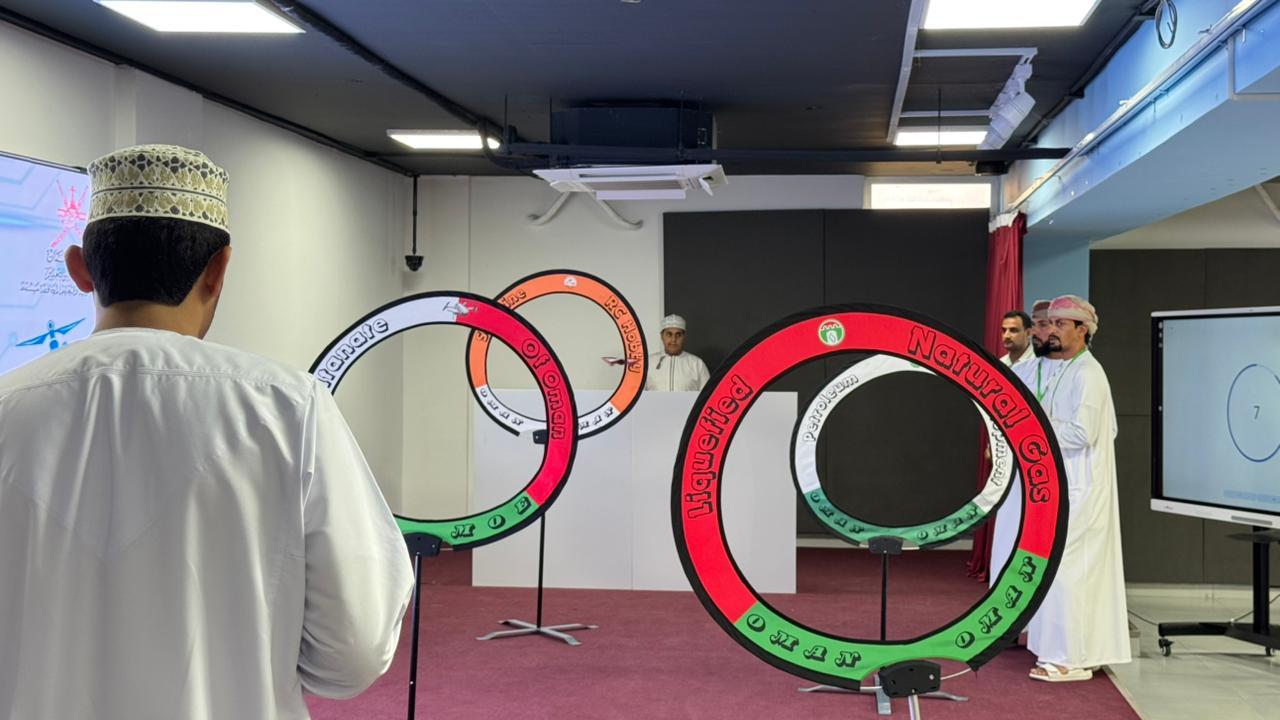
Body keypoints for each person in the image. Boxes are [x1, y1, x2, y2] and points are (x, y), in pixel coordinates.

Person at [0, 145, 414, 719]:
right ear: (219, 271)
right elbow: (354, 651)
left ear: (80, 268)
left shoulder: (8, 406)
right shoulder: (288, 407)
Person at [1026, 294, 1130, 681]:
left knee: (1071, 569)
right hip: (1065, 485)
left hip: (1082, 488)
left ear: (1082, 330)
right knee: (1063, 569)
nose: (1051, 330)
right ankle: (1076, 649)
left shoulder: (1088, 373)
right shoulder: (1065, 369)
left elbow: (1082, 433)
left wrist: (1032, 430)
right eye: (1049, 323)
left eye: (1060, 324)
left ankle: (1069, 658)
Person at [989, 301, 1054, 589]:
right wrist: (994, 444)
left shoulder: (1041, 366)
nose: (1007, 335)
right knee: (1006, 520)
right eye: (1004, 330)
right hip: (1007, 453)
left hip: (1034, 455)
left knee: (1028, 519)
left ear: (1028, 333)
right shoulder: (1000, 365)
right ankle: (1001, 580)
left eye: (1014, 330)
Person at [644, 313, 711, 391]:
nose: (673, 340)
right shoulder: (648, 363)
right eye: (669, 334)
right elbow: (639, 395)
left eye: (678, 335)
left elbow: (708, 395)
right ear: (662, 336)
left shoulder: (697, 364)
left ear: (684, 337)